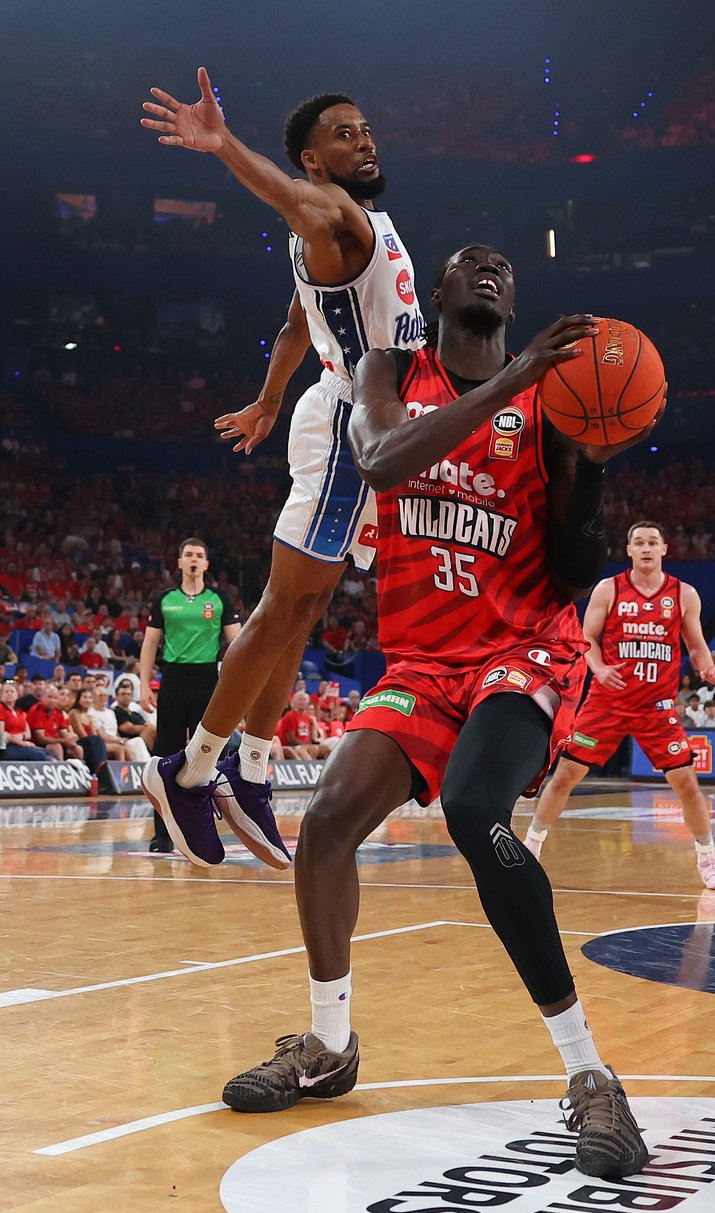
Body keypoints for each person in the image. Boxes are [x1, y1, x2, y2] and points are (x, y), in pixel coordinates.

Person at [218, 246, 653, 1180]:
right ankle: (330, 1046)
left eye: (503, 268)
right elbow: (378, 461)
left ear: (511, 300)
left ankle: (591, 1076)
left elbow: (579, 567)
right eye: (471, 264)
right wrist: (524, 376)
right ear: (443, 293)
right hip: (421, 658)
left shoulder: (553, 406)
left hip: (524, 647)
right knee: (327, 820)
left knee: (470, 810)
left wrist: (591, 467)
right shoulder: (391, 371)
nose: (489, 272)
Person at [140, 72, 423, 866]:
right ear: (313, 160)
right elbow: (291, 200)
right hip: (345, 425)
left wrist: (266, 400)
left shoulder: (350, 230)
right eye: (344, 134)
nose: (363, 140)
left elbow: (297, 322)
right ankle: (190, 771)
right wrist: (224, 144)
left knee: (303, 613)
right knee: (279, 607)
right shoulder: (328, 212)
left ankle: (252, 770)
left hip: (356, 425)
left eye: (367, 128)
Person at [525, 521, 715, 890]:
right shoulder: (609, 589)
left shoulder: (684, 594)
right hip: (607, 702)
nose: (647, 547)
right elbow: (587, 638)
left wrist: (708, 668)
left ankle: (708, 858)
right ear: (630, 550)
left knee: (687, 784)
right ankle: (532, 847)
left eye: (653, 541)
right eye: (640, 542)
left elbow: (696, 646)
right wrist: (600, 669)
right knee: (564, 778)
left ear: (665, 549)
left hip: (656, 706)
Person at [139, 538, 241, 852]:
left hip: (207, 682)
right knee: (164, 756)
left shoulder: (220, 598)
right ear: (180, 562)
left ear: (206, 564)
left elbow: (237, 646)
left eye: (199, 555)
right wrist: (144, 684)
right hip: (172, 680)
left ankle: (200, 827)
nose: (194, 559)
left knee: (204, 758)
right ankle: (162, 833)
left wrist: (236, 687)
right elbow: (150, 644)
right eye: (188, 554)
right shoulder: (164, 599)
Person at [0, 680, 51, 760]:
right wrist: (21, 742)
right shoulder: (1, 709)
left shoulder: (19, 712)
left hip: (19, 744)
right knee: (41, 755)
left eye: (12, 691)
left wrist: (21, 736)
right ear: (1, 695)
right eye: (6, 691)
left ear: (17, 694)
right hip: (6, 747)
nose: (9, 693)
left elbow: (28, 734)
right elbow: (1, 735)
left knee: (51, 753)